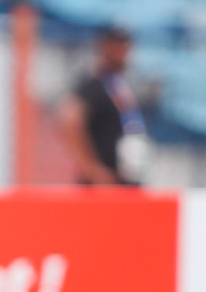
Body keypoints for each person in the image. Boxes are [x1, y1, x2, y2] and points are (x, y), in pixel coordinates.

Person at [58, 26, 150, 187]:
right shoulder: (95, 85)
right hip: (103, 183)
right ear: (103, 47)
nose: (121, 51)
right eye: (115, 45)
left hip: (127, 175)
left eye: (124, 45)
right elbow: (69, 120)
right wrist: (91, 169)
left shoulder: (124, 85)